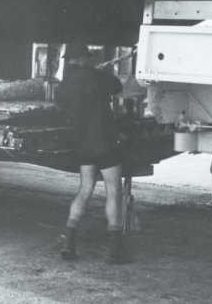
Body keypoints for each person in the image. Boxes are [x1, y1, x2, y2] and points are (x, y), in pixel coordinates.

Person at [56, 43, 129, 264]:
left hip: (83, 144)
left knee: (85, 189)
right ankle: (115, 252)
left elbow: (61, 105)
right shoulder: (96, 76)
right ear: (82, 58)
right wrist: (100, 71)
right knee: (113, 191)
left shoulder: (65, 84)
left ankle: (68, 243)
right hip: (105, 143)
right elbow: (117, 86)